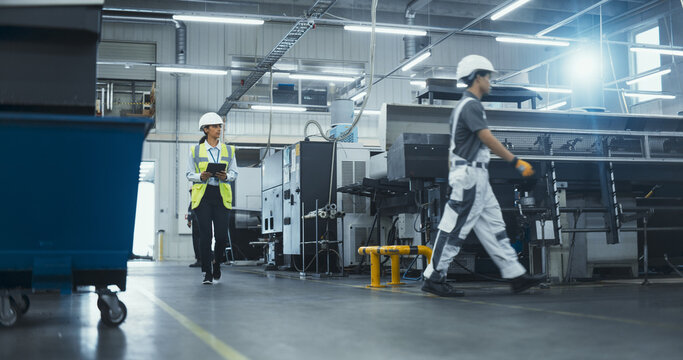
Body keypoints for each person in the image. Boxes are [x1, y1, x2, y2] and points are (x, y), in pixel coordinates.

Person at [422, 55, 546, 297]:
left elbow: (454, 149)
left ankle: (515, 274)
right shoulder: (470, 105)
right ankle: (434, 276)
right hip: (470, 176)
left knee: (495, 227)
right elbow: (486, 137)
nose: (490, 81)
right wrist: (516, 161)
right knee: (455, 228)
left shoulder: (464, 106)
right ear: (477, 77)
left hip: (474, 176)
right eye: (488, 76)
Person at [186, 112, 238, 284]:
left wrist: (226, 177)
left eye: (220, 126)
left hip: (221, 195)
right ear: (206, 129)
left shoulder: (229, 150)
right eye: (215, 126)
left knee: (222, 236)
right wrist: (201, 176)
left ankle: (217, 264)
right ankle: (207, 272)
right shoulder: (195, 150)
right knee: (206, 235)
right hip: (203, 197)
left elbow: (234, 173)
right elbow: (188, 174)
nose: (219, 129)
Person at [187, 189, 202, 268]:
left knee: (201, 242)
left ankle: (204, 259)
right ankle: (199, 259)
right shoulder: (192, 203)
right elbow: (190, 212)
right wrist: (189, 221)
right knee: (195, 242)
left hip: (201, 224)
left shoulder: (201, 201)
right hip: (195, 225)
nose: (191, 194)